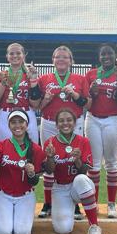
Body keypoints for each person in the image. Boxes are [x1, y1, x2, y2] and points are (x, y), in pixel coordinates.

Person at [31, 46, 89, 219]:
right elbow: (37, 106)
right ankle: (48, 202)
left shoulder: (80, 79)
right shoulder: (44, 79)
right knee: (49, 158)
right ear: (53, 60)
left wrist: (75, 95)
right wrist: (46, 99)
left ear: (71, 61)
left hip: (74, 123)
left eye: (65, 57)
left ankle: (75, 203)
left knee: (73, 159)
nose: (61, 60)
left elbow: (88, 104)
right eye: (58, 57)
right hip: (50, 122)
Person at [84, 43, 117, 218]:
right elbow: (86, 101)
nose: (106, 57)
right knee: (94, 164)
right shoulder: (91, 74)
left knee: (111, 162)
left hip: (114, 118)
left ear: (116, 55)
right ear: (99, 57)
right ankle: (94, 203)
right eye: (103, 54)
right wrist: (92, 93)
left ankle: (111, 203)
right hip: (93, 118)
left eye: (109, 53)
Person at [43, 108, 102, 234]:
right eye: (61, 121)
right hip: (60, 187)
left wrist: (78, 160)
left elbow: (84, 171)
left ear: (75, 123)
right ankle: (71, 208)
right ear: (56, 125)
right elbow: (49, 171)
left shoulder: (83, 141)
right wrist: (50, 157)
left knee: (80, 179)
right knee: (62, 229)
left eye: (69, 120)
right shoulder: (50, 142)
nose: (65, 123)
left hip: (78, 186)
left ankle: (94, 225)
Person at [0, 110, 45, 234]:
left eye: (21, 122)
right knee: (3, 233)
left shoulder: (35, 149)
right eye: (13, 122)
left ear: (27, 124)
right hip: (3, 194)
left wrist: (31, 173)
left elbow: (35, 181)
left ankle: (17, 216)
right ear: (9, 125)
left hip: (25, 196)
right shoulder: (1, 146)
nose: (17, 125)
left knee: (22, 233)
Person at [0, 43, 39, 143]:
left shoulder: (29, 74)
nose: (15, 56)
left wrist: (33, 80)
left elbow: (36, 104)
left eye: (18, 53)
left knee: (30, 147)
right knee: (4, 147)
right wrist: (3, 83)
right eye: (11, 53)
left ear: (24, 55)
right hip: (5, 114)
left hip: (26, 113)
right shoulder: (0, 75)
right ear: (7, 56)